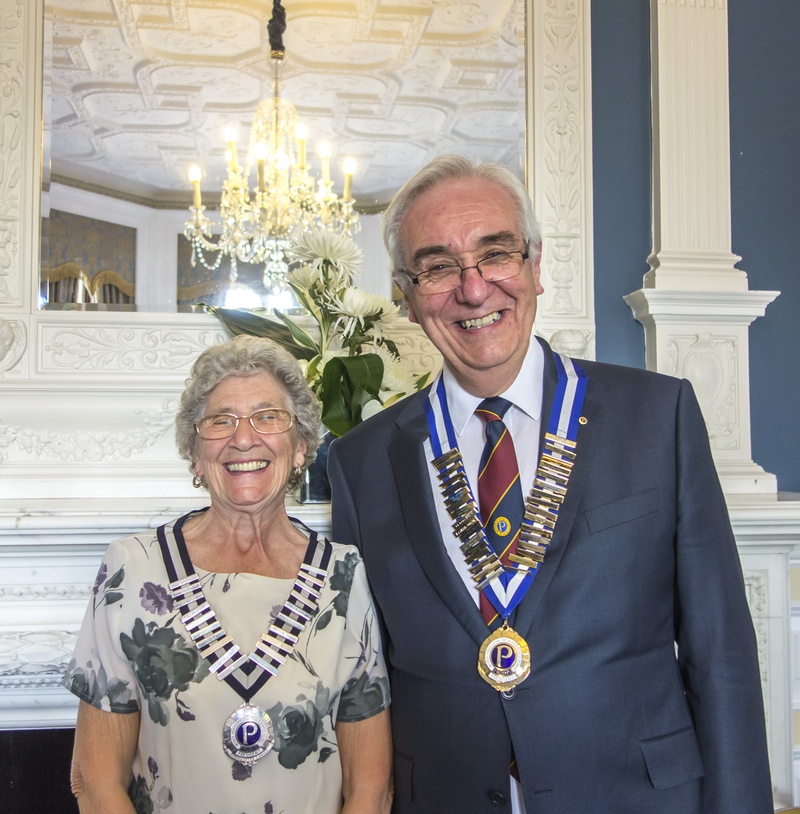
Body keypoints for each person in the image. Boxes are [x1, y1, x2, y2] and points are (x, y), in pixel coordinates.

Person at [327, 155, 772, 813]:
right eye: (438, 267)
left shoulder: (657, 416)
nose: (473, 289)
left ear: (535, 265)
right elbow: (364, 678)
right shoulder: (359, 462)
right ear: (406, 295)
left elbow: (720, 654)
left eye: (495, 254)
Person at [65, 335, 392, 814]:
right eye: (221, 420)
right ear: (196, 455)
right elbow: (96, 782)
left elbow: (371, 790)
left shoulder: (343, 574)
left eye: (268, 417)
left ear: (301, 446)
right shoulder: (132, 569)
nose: (243, 438)